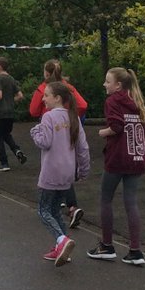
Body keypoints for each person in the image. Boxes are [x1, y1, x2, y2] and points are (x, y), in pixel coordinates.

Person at [87, 67, 145, 267]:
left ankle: (107, 245)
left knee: (106, 199)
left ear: (118, 86)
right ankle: (135, 250)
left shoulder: (113, 101)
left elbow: (116, 126)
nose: (104, 84)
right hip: (137, 157)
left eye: (107, 81)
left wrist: (103, 132)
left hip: (117, 158)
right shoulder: (138, 103)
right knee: (131, 202)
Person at [30, 82, 91, 265]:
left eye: (46, 95)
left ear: (57, 98)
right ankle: (62, 250)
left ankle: (61, 240)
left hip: (51, 172)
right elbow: (83, 148)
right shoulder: (73, 118)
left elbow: (44, 142)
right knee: (56, 210)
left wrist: (35, 132)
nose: (43, 98)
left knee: (43, 210)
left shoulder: (48, 117)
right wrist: (83, 170)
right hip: (67, 173)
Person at [0, 57, 26, 171]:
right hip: (10, 113)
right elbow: (20, 95)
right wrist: (11, 101)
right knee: (6, 134)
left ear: (0, 66)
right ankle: (17, 150)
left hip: (0, 113)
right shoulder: (11, 78)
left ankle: (4, 163)